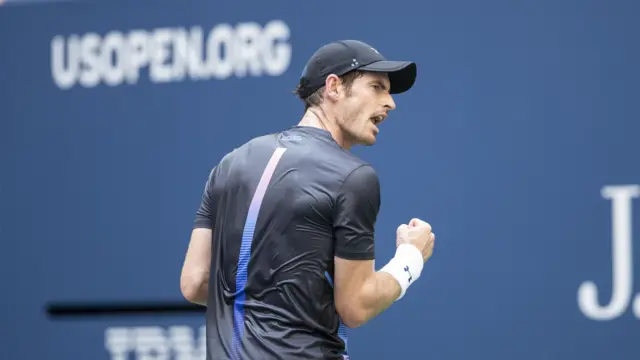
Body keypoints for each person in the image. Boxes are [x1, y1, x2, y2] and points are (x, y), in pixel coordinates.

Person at [180, 39, 436, 360]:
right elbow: (355, 306)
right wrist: (410, 258)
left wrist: (276, 300)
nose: (390, 103)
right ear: (334, 87)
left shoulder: (230, 164)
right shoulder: (353, 176)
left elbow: (195, 283)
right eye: (376, 87)